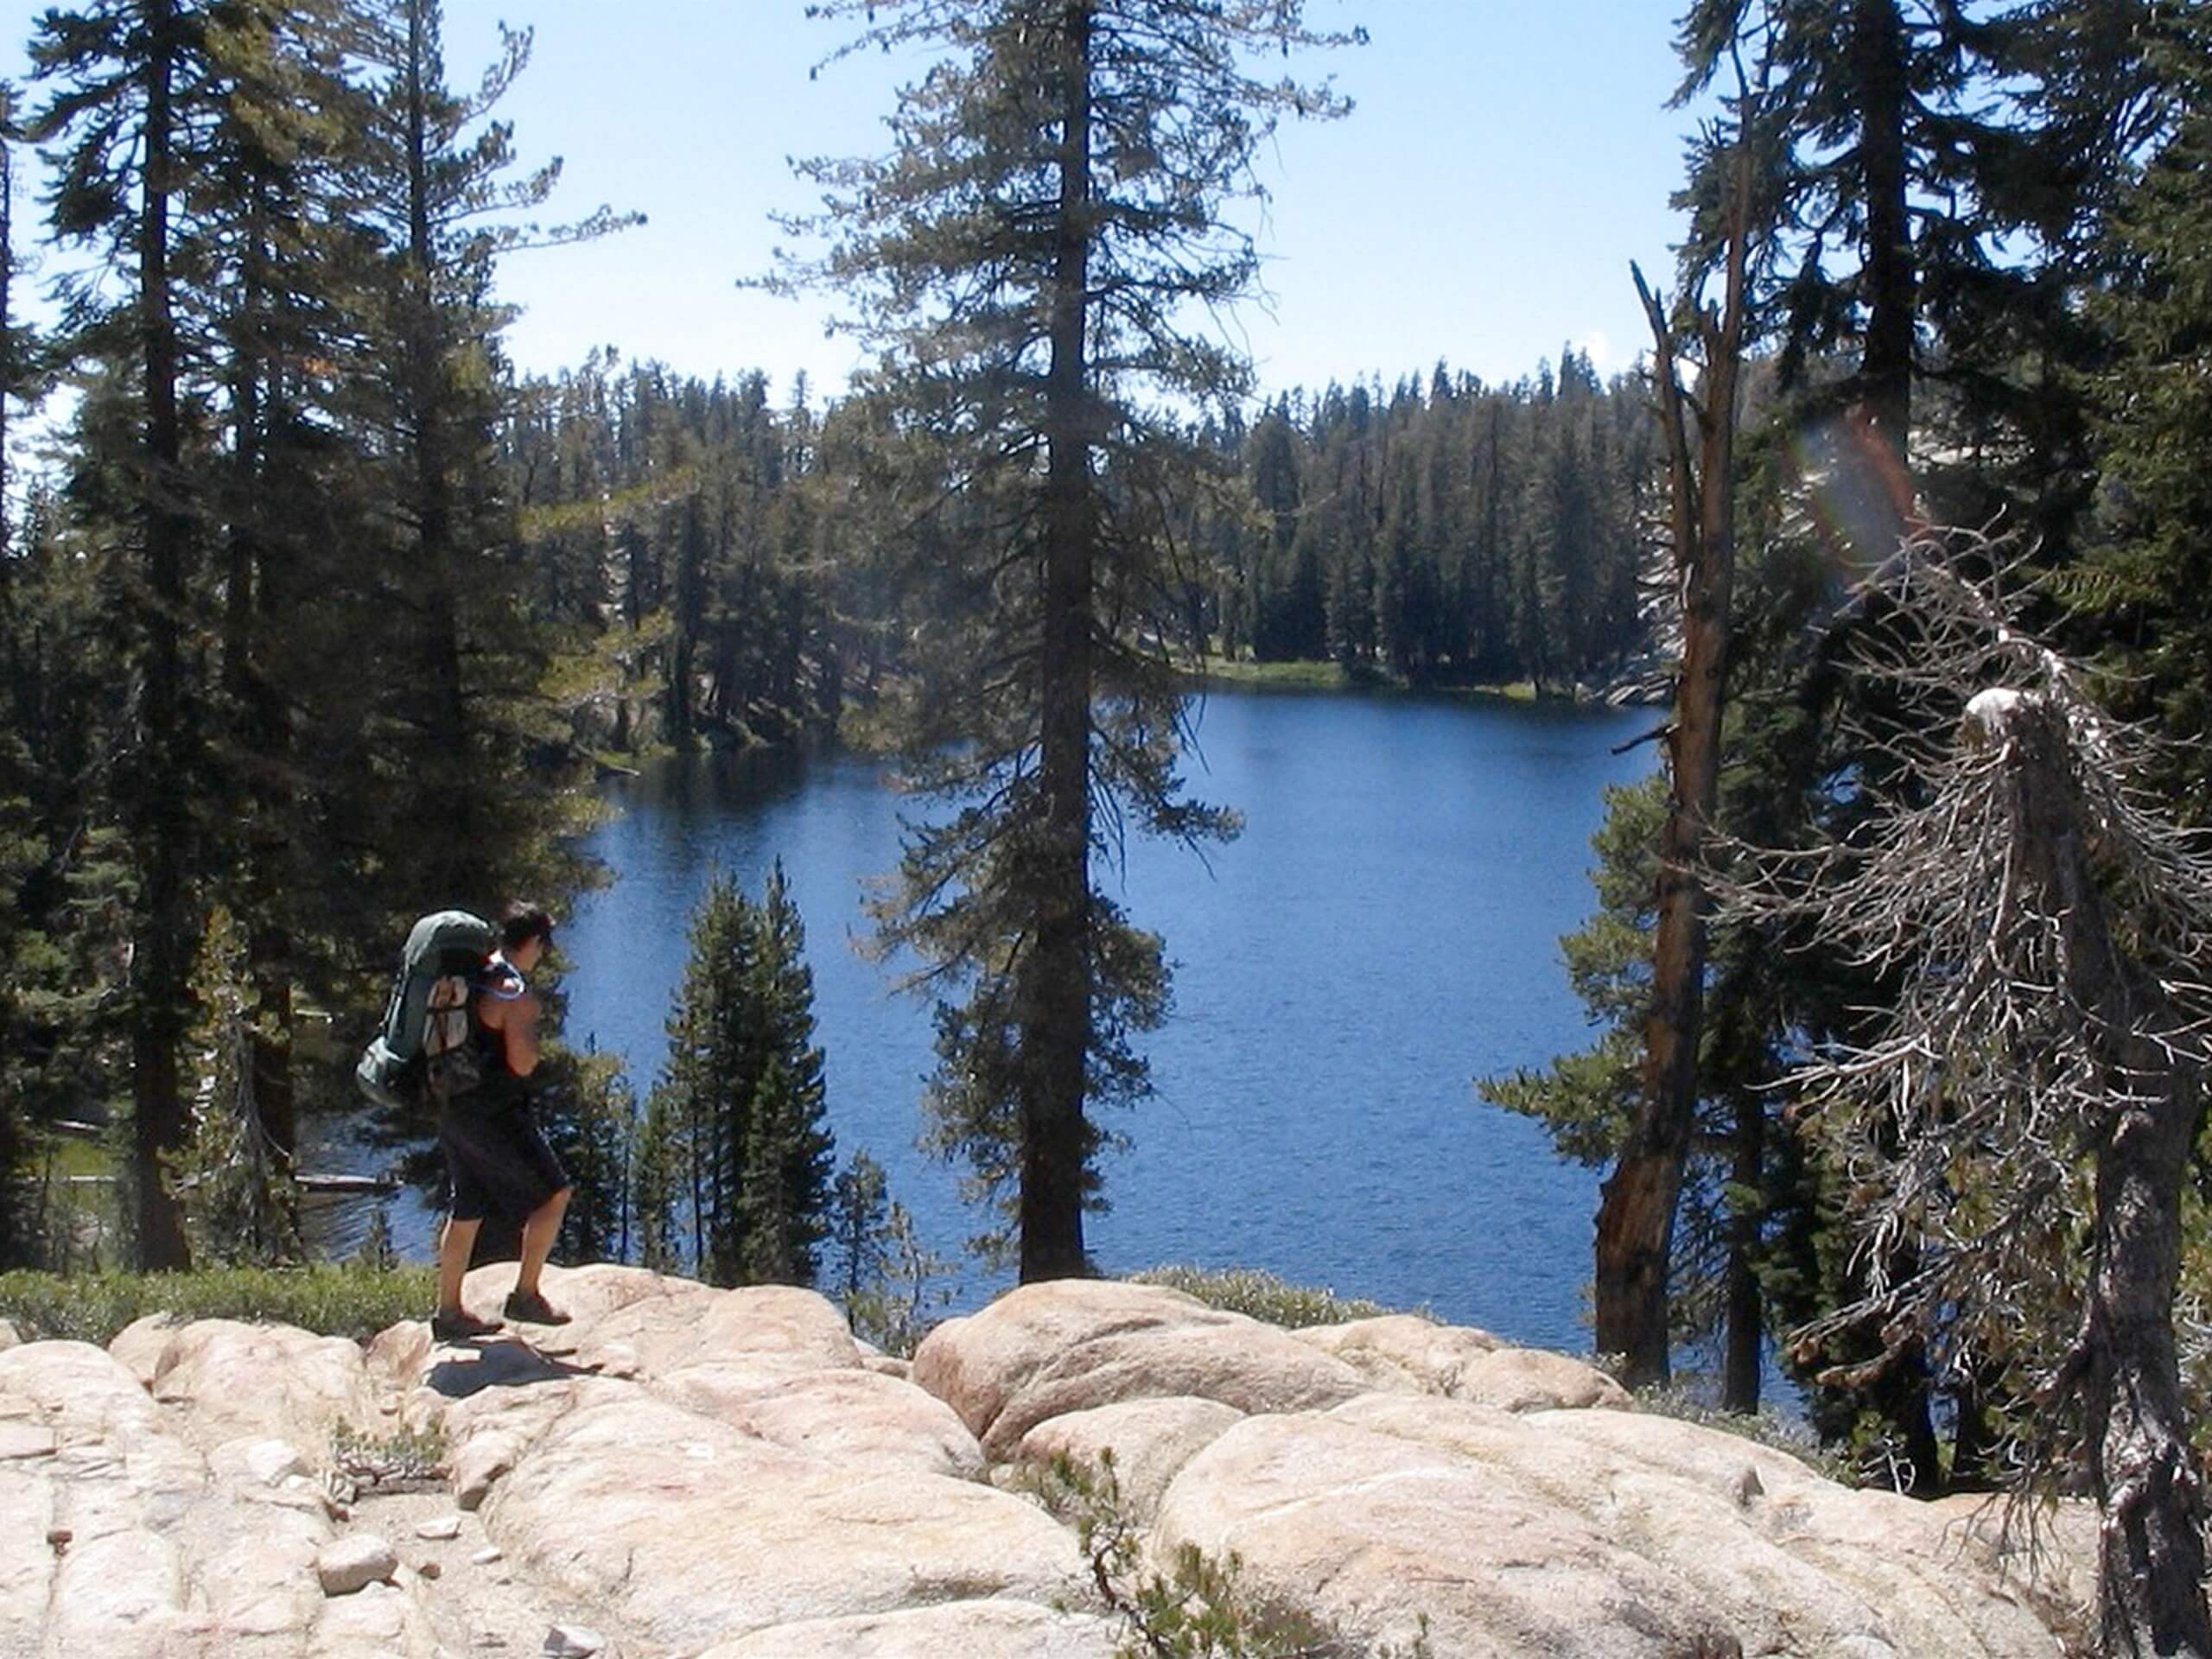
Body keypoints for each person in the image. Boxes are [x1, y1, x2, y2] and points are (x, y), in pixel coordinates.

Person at [429, 902, 575, 1343]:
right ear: (531, 942)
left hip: (449, 1102)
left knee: (467, 1206)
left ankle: (449, 1311)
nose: (544, 955)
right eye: (544, 946)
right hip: (492, 1110)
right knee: (555, 1193)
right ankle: (526, 1295)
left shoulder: (472, 970)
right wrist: (530, 1027)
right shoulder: (513, 991)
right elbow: (523, 1063)